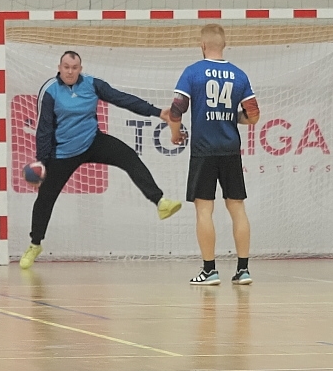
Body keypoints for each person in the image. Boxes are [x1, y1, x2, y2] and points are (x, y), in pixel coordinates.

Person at [19, 51, 182, 269]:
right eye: (66, 67)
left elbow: (122, 99)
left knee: (128, 156)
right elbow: (44, 129)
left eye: (74, 68)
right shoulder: (50, 91)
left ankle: (160, 201)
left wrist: (157, 112)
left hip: (92, 141)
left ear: (80, 69)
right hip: (63, 152)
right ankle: (35, 244)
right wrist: (41, 162)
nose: (70, 71)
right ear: (59, 68)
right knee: (45, 199)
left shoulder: (92, 84)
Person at [167, 24, 260, 285]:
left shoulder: (193, 72)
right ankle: (243, 270)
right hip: (230, 150)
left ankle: (209, 271)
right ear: (224, 45)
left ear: (202, 45)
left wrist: (175, 134)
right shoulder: (239, 75)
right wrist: (232, 118)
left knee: (204, 210)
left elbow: (176, 110)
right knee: (237, 208)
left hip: (203, 150)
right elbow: (254, 115)